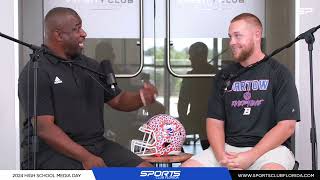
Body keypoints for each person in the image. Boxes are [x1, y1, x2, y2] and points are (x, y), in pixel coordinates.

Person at [18, 7, 158, 169]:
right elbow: (45, 129)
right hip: (52, 151)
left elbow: (118, 100)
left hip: (96, 145)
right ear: (58, 35)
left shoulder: (90, 66)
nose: (83, 33)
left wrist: (141, 97)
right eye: (76, 29)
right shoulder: (36, 71)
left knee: (145, 170)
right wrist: (86, 157)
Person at [181, 13, 300, 170]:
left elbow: (287, 126)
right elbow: (214, 122)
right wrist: (222, 157)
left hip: (270, 150)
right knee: (185, 172)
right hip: (227, 149)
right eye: (230, 36)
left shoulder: (279, 73)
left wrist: (251, 156)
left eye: (238, 36)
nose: (232, 42)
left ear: (257, 35)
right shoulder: (223, 75)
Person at [178, 42, 218, 150]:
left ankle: (184, 163)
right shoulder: (216, 74)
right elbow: (182, 102)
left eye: (192, 56)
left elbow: (182, 102)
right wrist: (183, 120)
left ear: (200, 57)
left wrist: (182, 121)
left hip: (207, 120)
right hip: (199, 120)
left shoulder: (215, 75)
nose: (190, 59)